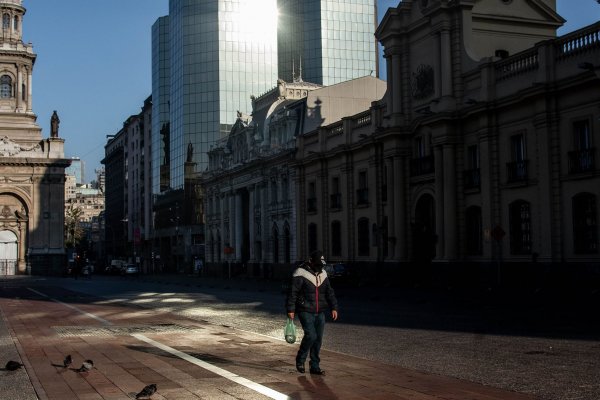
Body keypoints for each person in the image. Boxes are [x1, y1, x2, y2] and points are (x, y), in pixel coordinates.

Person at [286, 250, 338, 375]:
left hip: (320, 311)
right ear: (311, 262)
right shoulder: (300, 273)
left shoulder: (323, 274)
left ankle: (315, 366)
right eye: (318, 264)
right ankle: (300, 359)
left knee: (318, 339)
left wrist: (334, 307)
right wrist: (291, 309)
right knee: (311, 335)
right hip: (305, 310)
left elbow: (329, 292)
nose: (320, 267)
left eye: (321, 265)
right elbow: (292, 293)